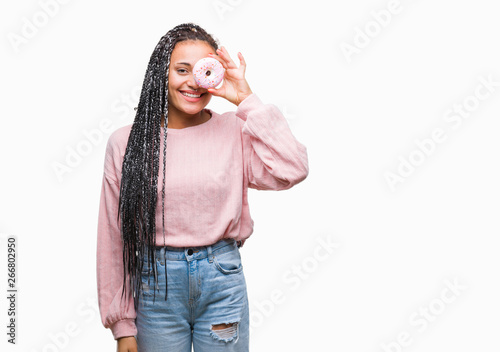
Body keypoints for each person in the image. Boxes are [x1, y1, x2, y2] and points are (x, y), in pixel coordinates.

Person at [96, 22, 309, 352]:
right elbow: (113, 234)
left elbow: (292, 168)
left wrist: (245, 99)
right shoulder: (127, 143)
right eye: (182, 70)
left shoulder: (235, 131)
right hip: (156, 286)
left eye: (202, 71)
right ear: (160, 74)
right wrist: (122, 324)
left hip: (221, 279)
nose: (193, 82)